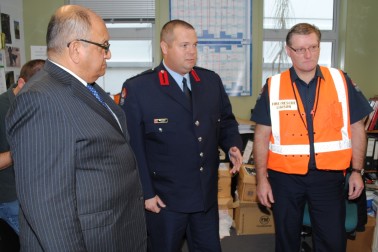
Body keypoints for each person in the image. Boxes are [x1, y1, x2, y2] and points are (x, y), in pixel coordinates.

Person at [6, 5, 146, 251]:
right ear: (76, 49)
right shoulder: (42, 99)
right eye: (104, 46)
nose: (108, 55)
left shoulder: (86, 86)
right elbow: (47, 207)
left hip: (114, 231)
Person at [120, 19, 243, 252]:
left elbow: (225, 122)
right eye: (184, 46)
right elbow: (133, 147)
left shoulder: (209, 81)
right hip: (165, 200)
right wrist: (146, 193)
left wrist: (232, 145)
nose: (192, 52)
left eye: (195, 45)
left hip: (204, 196)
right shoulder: (140, 88)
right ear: (165, 47)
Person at [251, 22, 373, 252]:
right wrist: (261, 178)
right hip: (284, 178)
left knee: (332, 242)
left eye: (313, 47)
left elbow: (358, 128)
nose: (308, 54)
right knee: (286, 241)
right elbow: (261, 135)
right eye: (300, 49)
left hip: (328, 178)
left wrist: (357, 172)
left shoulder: (340, 81)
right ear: (288, 51)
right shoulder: (273, 87)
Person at [0, 59, 45, 236]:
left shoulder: (30, 103)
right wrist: (21, 150)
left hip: (31, 192)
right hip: (10, 198)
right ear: (21, 83)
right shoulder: (2, 108)